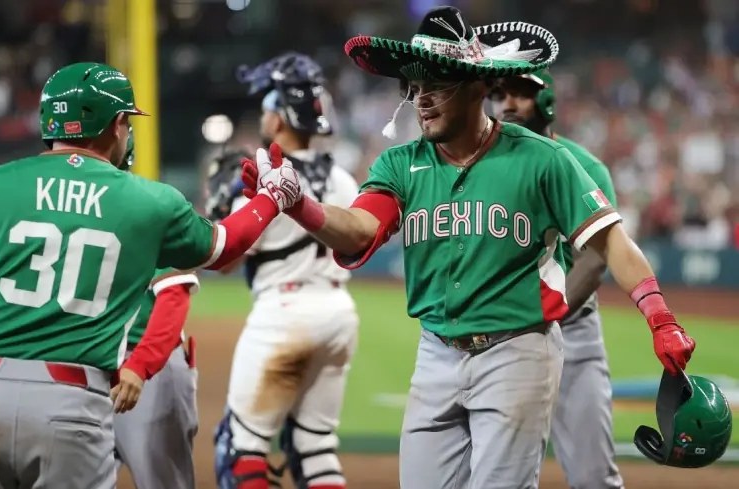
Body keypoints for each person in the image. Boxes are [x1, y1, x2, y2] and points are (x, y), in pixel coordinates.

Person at [240, 7, 696, 489]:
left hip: (517, 351)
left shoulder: (542, 159)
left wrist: (660, 318)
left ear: (479, 87)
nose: (422, 99)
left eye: (438, 83)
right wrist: (300, 205)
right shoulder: (400, 164)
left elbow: (612, 243)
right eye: (414, 86)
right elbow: (358, 228)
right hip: (436, 352)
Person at [0, 61, 305, 489]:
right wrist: (272, 197)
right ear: (117, 123)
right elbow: (224, 246)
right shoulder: (148, 201)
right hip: (71, 402)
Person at [208, 52, 360, 489]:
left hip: (283, 313)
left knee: (242, 448)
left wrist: (222, 212)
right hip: (338, 311)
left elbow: (227, 259)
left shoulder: (264, 180)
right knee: (316, 446)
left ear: (278, 119)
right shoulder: (344, 179)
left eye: (267, 109)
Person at [489, 69, 624, 489]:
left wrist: (541, 315)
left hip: (571, 328)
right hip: (497, 336)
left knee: (593, 476)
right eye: (499, 95)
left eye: (519, 95)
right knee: (493, 473)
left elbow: (594, 259)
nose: (507, 104)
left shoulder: (585, 167)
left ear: (546, 102)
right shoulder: (482, 168)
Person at [113, 126, 200, 489]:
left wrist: (141, 365)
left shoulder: (148, 205)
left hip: (145, 370)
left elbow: (174, 296)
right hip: (81, 368)